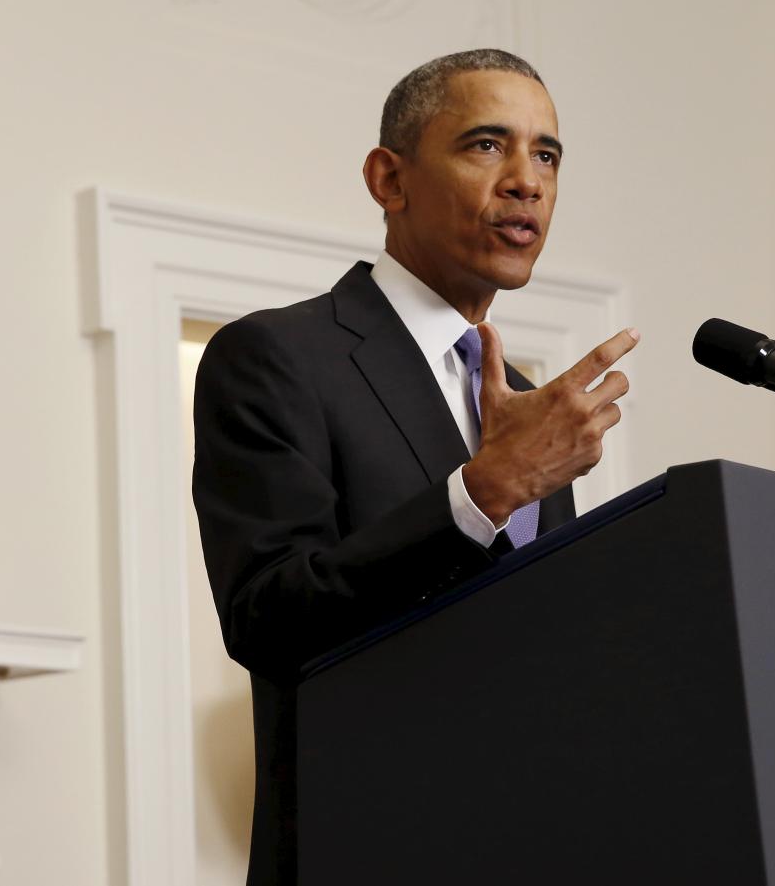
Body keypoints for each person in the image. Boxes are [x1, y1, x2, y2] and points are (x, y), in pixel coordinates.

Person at [191, 48, 638, 885]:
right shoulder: (278, 357)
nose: (526, 181)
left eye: (546, 155)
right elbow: (268, 617)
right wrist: (485, 491)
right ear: (389, 180)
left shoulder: (536, 413)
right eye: (485, 145)